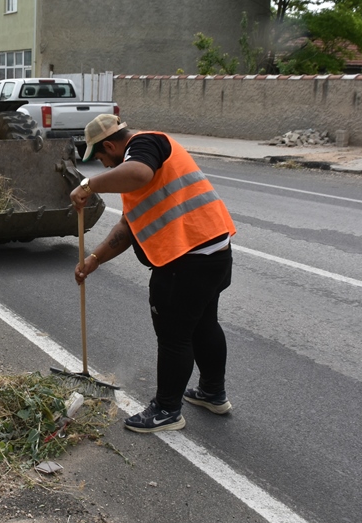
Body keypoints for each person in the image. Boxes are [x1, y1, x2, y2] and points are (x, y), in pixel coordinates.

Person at [70, 114, 237, 433]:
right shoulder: (140, 161)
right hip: (213, 251)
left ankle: (166, 410)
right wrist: (94, 259)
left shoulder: (143, 146)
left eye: (102, 157)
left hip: (184, 260)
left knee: (174, 337)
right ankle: (213, 393)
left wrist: (88, 185)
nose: (104, 166)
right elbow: (129, 225)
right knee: (203, 323)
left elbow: (137, 172)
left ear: (109, 145)